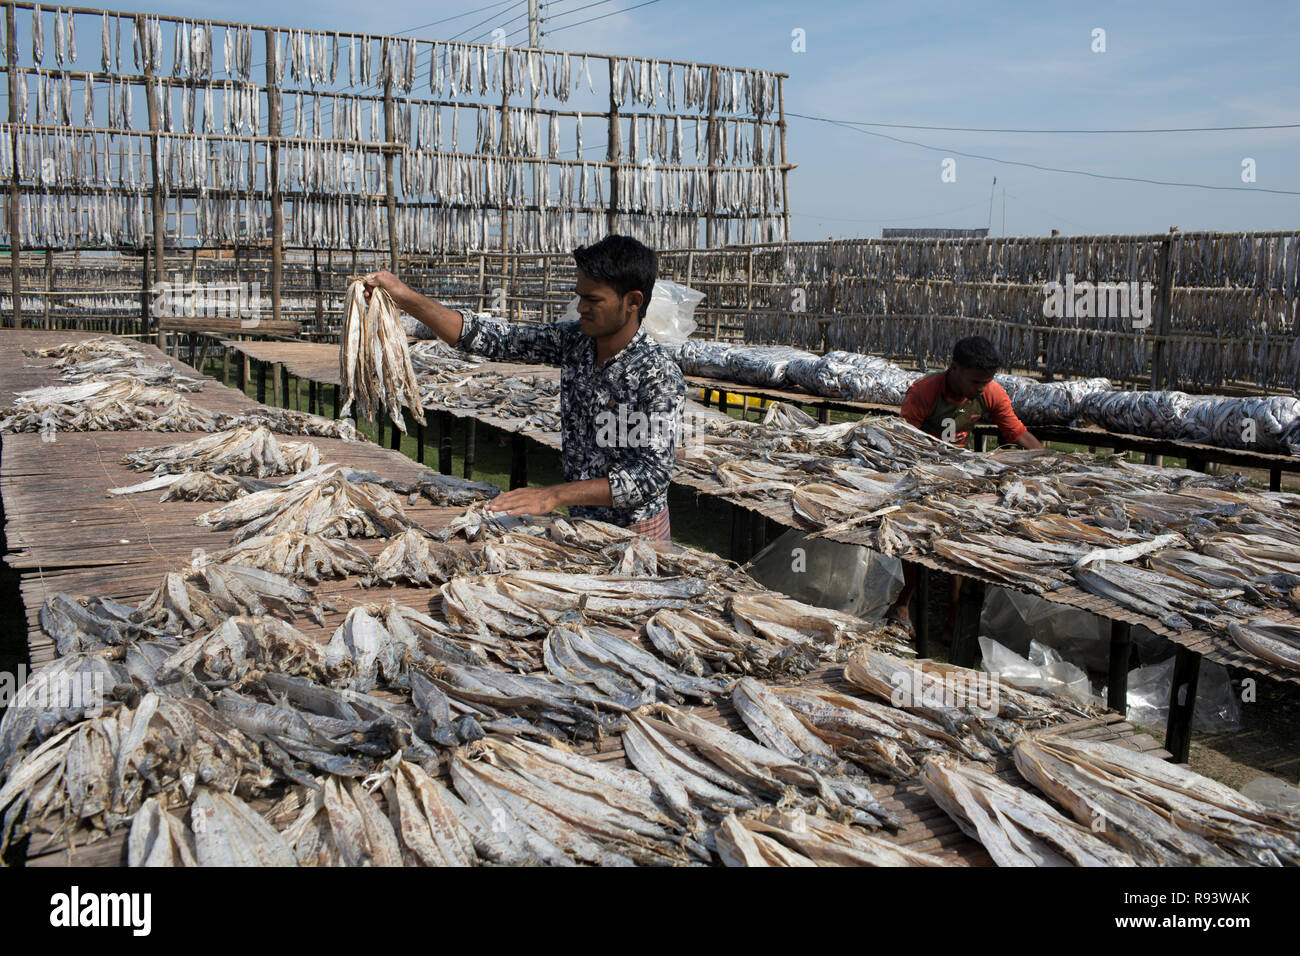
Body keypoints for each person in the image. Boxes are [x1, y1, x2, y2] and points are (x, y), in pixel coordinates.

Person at [362, 235, 684, 541]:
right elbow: (490, 337)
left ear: (633, 301)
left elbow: (650, 475)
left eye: (592, 299)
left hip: (636, 532)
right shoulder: (576, 343)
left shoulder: (656, 374)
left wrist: (552, 495)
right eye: (580, 295)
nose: (581, 307)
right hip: (580, 524)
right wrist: (403, 296)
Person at [889, 335, 1043, 638]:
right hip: (919, 468)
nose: (981, 388)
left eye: (986, 381)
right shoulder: (924, 392)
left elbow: (1015, 432)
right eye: (975, 381)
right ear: (954, 368)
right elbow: (903, 442)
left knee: (957, 543)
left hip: (960, 472)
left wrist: (1046, 461)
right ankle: (902, 606)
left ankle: (954, 621)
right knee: (914, 538)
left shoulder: (990, 393)